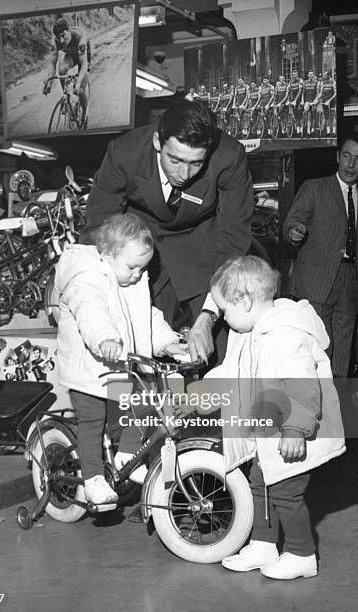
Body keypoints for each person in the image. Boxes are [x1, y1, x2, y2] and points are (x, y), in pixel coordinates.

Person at [82, 99, 253, 364]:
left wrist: (209, 315)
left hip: (203, 251)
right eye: (175, 160)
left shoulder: (229, 157)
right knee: (139, 349)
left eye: (196, 163)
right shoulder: (124, 153)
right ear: (156, 142)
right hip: (140, 250)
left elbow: (234, 239)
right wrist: (95, 288)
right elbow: (98, 226)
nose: (184, 174)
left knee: (213, 355)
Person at [205, 255, 345, 579]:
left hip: (296, 433)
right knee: (260, 484)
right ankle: (264, 544)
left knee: (286, 493)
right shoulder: (253, 331)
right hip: (269, 433)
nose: (224, 319)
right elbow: (235, 371)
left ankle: (301, 554)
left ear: (244, 300)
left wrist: (296, 429)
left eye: (224, 311)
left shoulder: (283, 334)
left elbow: (302, 383)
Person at [56, 213, 186, 506]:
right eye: (132, 267)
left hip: (119, 367)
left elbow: (146, 319)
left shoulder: (132, 281)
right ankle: (92, 479)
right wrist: (104, 338)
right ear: (106, 255)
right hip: (88, 368)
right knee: (92, 419)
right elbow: (91, 310)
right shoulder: (86, 277)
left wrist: (170, 343)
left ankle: (128, 454)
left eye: (143, 268)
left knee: (146, 401)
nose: (138, 274)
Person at [282, 133, 358, 378]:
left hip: (351, 280)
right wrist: (294, 231)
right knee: (317, 349)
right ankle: (317, 406)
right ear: (338, 157)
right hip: (317, 281)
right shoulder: (315, 187)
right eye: (347, 156)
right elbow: (293, 221)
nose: (351, 164)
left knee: (344, 351)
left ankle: (339, 405)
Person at [43, 17, 90, 129]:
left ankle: (84, 115)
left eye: (63, 36)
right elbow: (52, 63)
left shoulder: (79, 36)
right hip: (71, 55)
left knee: (82, 87)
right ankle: (66, 96)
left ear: (68, 30)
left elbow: (83, 64)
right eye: (59, 38)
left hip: (82, 56)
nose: (62, 41)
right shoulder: (55, 41)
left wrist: (78, 83)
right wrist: (49, 81)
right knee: (61, 69)